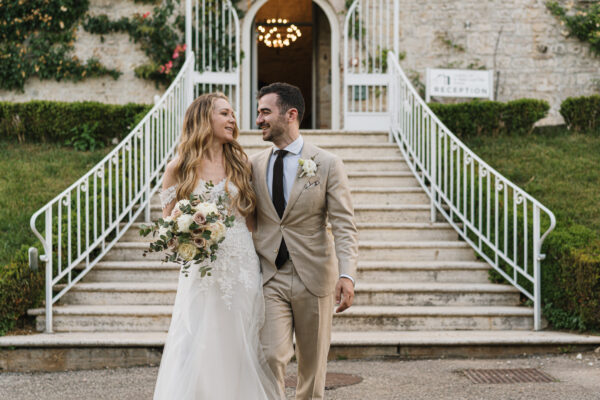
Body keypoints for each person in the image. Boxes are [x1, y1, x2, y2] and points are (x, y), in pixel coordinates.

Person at [153, 93, 281, 399]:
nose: (232, 119)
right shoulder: (178, 168)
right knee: (201, 340)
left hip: (242, 265)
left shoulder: (241, 164)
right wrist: (188, 231)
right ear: (203, 119)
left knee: (239, 341)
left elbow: (252, 222)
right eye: (224, 113)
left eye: (232, 114)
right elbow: (168, 228)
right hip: (202, 269)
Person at [251, 82, 359, 400]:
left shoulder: (327, 163)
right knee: (270, 355)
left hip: (314, 275)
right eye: (258, 112)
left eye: (265, 112)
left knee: (312, 367)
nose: (258, 120)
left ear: (291, 115)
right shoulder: (253, 164)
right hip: (271, 275)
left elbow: (344, 225)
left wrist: (347, 274)